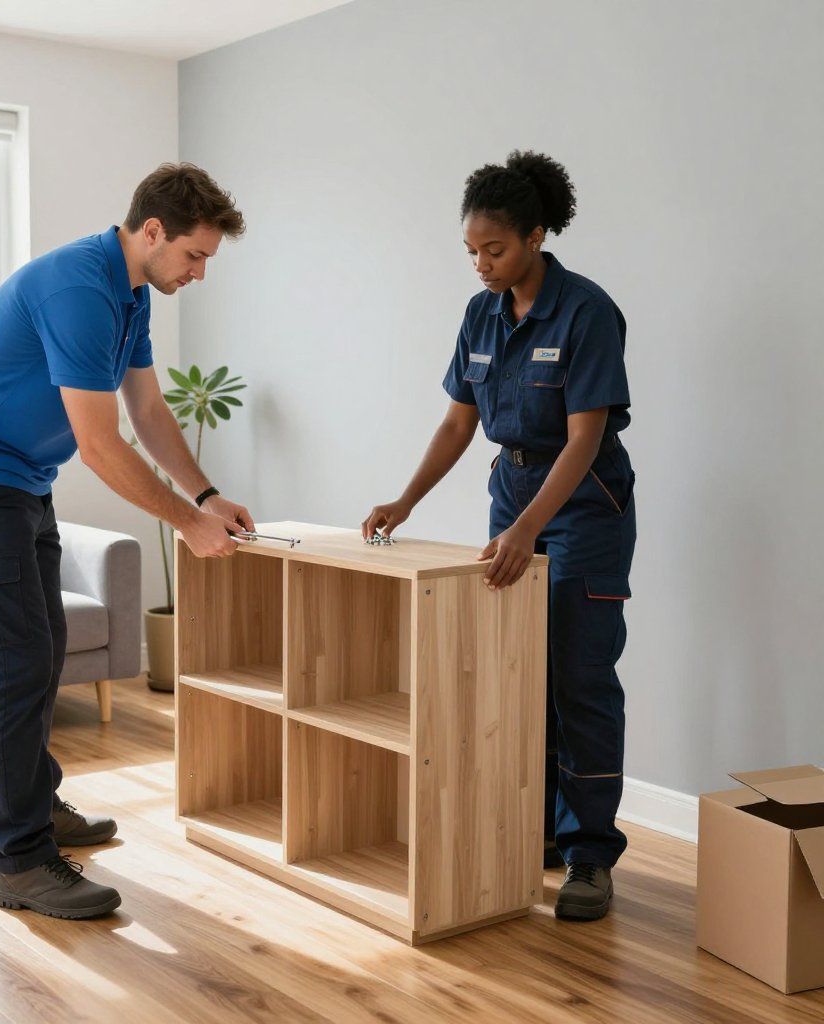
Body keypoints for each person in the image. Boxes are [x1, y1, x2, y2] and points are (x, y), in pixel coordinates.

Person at [0, 163, 253, 919]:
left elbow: (148, 410)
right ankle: (21, 861)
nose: (199, 273)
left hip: (23, 479)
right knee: (12, 665)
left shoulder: (131, 292)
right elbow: (100, 446)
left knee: (44, 648)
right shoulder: (78, 289)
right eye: (195, 256)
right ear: (153, 231)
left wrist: (204, 496)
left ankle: (36, 805)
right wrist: (186, 526)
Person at [363, 150, 636, 922]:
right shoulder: (481, 315)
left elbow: (584, 439)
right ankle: (535, 833)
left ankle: (587, 853)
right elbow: (459, 420)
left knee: (580, 680)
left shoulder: (586, 312)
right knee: (515, 675)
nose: (482, 264)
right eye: (471, 251)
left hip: (583, 507)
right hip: (512, 493)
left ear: (536, 237)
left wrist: (528, 528)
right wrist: (407, 499)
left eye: (496, 249)